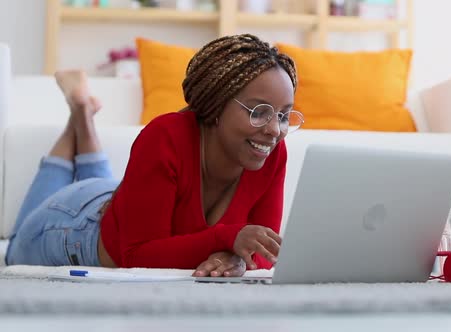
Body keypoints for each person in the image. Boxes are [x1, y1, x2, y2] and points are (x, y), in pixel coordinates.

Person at [5, 34, 303, 278]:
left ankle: (82, 114)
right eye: (259, 112)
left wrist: (235, 258)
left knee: (113, 191)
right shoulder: (165, 136)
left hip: (119, 199)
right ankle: (81, 114)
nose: (274, 130)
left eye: (284, 115)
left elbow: (266, 253)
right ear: (216, 105)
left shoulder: (272, 153)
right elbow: (136, 256)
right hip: (75, 224)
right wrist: (229, 239)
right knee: (13, 249)